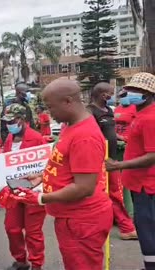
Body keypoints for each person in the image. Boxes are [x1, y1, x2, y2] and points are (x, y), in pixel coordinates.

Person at [10, 79, 113, 270]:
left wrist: (41, 198)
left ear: (67, 101)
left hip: (83, 220)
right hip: (72, 219)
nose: (50, 113)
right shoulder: (70, 126)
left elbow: (84, 187)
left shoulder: (85, 136)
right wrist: (41, 176)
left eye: (51, 107)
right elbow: (65, 163)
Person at [105, 72, 155, 270]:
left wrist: (119, 166)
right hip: (138, 183)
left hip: (147, 185)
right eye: (130, 89)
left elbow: (153, 155)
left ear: (149, 94)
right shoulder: (140, 114)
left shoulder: (150, 119)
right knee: (145, 229)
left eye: (137, 91)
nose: (131, 93)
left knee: (148, 230)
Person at [0, 104, 47, 270]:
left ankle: (36, 264)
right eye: (6, 122)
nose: (8, 125)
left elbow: (45, 167)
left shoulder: (36, 138)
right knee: (12, 228)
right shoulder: (10, 139)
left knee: (33, 233)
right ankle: (20, 260)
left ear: (21, 119)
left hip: (33, 190)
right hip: (14, 190)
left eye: (11, 121)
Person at [86, 82, 137, 240]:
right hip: (101, 161)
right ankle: (125, 227)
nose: (113, 95)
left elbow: (109, 131)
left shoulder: (107, 110)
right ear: (103, 95)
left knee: (115, 193)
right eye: (111, 92)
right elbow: (90, 136)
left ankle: (122, 226)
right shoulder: (90, 112)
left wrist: (119, 137)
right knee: (111, 194)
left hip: (112, 158)